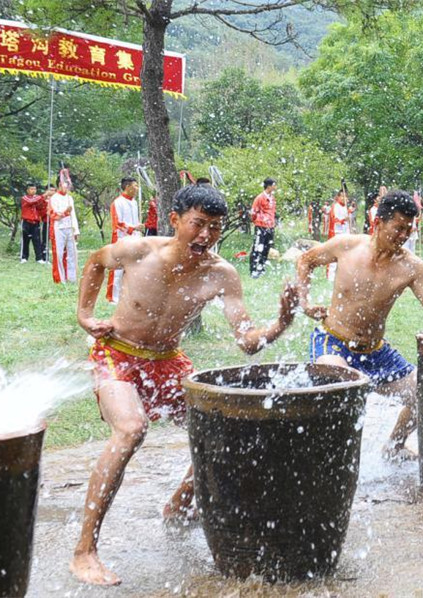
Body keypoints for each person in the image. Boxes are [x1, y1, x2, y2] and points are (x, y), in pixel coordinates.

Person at [70, 182, 298, 587]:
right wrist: (86, 316)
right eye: (198, 224)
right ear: (175, 220)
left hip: (167, 361)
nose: (206, 236)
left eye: (215, 227)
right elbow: (95, 261)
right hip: (116, 353)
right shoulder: (140, 251)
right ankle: (84, 550)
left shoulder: (222, 274)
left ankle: (179, 504)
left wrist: (282, 322)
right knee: (131, 429)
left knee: (222, 427)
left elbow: (246, 341)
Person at [296, 190, 423, 459]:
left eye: (409, 229)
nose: (404, 236)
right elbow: (305, 260)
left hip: (376, 353)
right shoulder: (346, 246)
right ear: (378, 223)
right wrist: (304, 302)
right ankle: (330, 458)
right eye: (398, 228)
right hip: (333, 342)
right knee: (338, 384)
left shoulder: (412, 267)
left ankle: (394, 447)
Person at [106, 177, 142, 303]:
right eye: (135, 186)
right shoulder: (118, 203)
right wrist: (132, 228)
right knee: (118, 268)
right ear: (127, 187)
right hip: (121, 238)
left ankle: (130, 294)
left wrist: (137, 229)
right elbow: (117, 223)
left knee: (134, 266)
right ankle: (114, 297)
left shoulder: (134, 202)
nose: (137, 189)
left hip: (135, 237)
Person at [49, 179, 80, 283]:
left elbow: (73, 214)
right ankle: (60, 279)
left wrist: (76, 230)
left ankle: (72, 278)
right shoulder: (54, 198)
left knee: (72, 253)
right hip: (59, 228)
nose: (67, 188)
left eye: (68, 186)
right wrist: (65, 212)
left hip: (70, 227)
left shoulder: (69, 198)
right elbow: (54, 214)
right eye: (65, 186)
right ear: (59, 185)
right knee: (59, 254)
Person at [249, 178, 277, 278]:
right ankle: (253, 269)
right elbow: (253, 212)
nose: (275, 187)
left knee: (266, 248)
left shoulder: (272, 198)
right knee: (257, 247)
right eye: (274, 185)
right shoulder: (260, 198)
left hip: (270, 226)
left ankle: (261, 267)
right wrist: (258, 221)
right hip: (261, 226)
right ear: (269, 186)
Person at [326, 189, 355, 280]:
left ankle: (344, 275)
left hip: (346, 233)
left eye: (346, 196)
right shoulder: (335, 206)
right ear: (338, 197)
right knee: (334, 254)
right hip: (337, 233)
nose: (344, 198)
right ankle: (331, 276)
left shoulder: (346, 207)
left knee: (346, 254)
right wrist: (343, 220)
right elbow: (335, 220)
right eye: (342, 196)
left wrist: (350, 213)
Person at [19, 184, 45, 263]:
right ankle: (24, 257)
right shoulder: (25, 198)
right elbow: (31, 201)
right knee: (25, 240)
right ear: (27, 190)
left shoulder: (37, 198)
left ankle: (39, 258)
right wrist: (44, 195)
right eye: (31, 189)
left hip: (36, 222)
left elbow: (41, 206)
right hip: (26, 222)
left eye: (34, 189)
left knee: (37, 240)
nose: (33, 191)